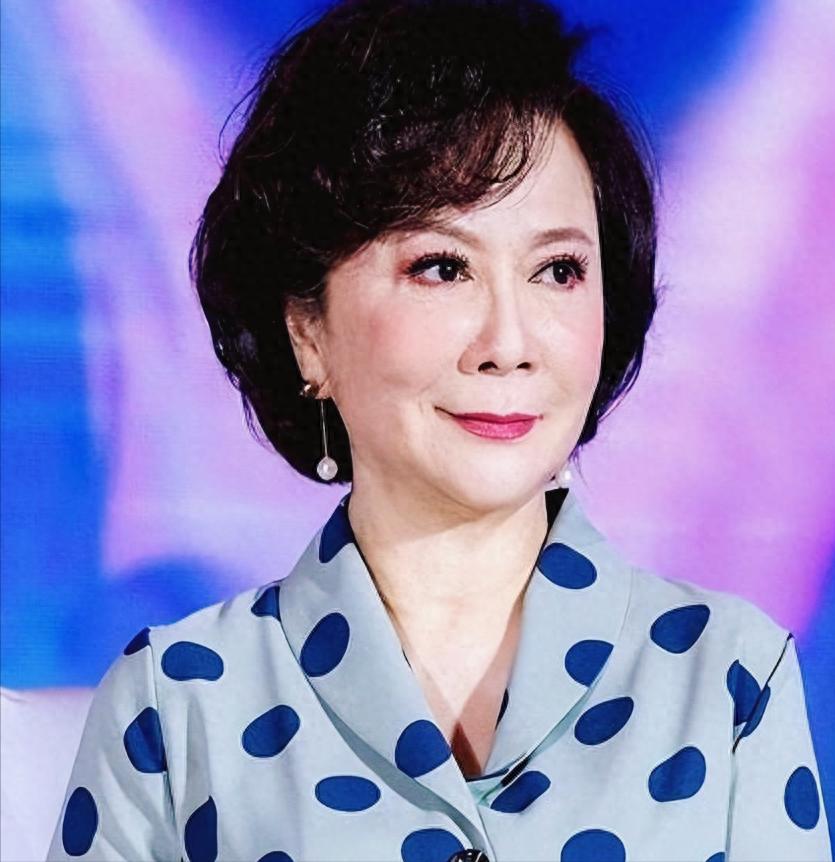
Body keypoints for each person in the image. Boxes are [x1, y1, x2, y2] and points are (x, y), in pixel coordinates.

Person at [48, 0, 830, 859]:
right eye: (442, 267)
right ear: (306, 330)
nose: (509, 342)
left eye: (557, 270)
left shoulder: (728, 679)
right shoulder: (177, 704)